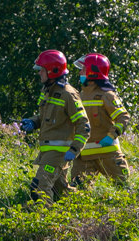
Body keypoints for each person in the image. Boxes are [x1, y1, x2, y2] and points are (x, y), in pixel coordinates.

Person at [19, 50, 90, 202]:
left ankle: (43, 221)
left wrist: (75, 149)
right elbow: (45, 117)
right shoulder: (47, 92)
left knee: (39, 186)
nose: (39, 74)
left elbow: (83, 124)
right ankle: (86, 205)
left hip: (59, 154)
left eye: (42, 70)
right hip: (48, 152)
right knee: (61, 192)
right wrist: (33, 122)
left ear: (53, 71)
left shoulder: (68, 94)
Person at [71, 53, 131, 185]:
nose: (80, 72)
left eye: (83, 70)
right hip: (84, 157)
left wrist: (111, 135)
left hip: (108, 154)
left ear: (92, 73)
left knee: (123, 188)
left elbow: (123, 117)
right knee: (77, 194)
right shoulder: (79, 96)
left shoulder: (107, 96)